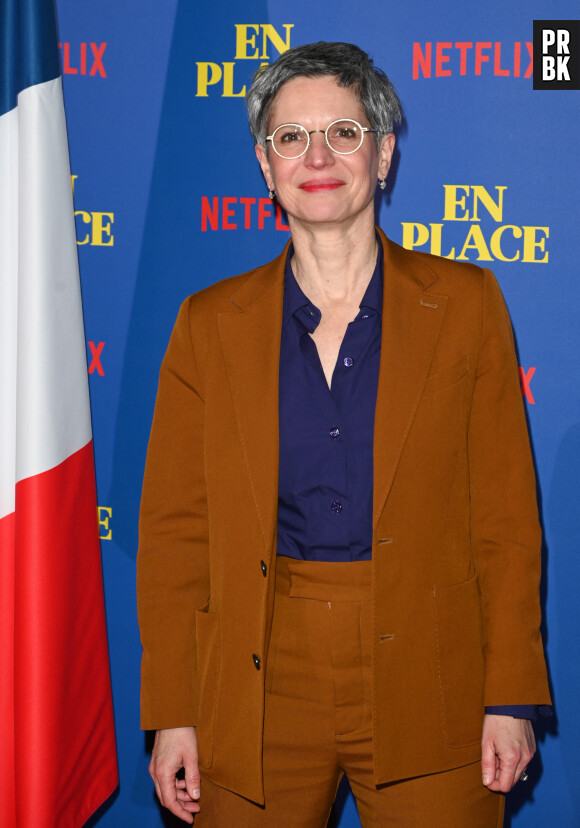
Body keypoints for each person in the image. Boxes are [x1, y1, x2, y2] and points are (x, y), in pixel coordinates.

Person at [137, 41, 551, 827]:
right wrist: (174, 711)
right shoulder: (207, 324)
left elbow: (505, 523)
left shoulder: (466, 305)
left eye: (344, 132)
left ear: (385, 154)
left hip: (432, 667)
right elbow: (174, 538)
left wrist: (510, 695)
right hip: (258, 676)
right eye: (290, 137)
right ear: (265, 165)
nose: (317, 155)